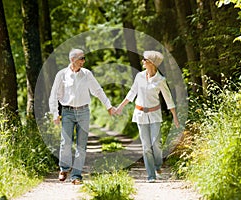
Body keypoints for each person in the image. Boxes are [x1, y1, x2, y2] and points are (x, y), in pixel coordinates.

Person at [49, 49, 115, 185]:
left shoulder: (87, 74)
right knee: (65, 143)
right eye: (81, 59)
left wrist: (108, 106)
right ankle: (64, 168)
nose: (83, 61)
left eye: (84, 59)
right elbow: (54, 95)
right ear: (72, 59)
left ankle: (76, 175)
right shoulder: (62, 75)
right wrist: (55, 113)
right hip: (67, 112)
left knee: (81, 145)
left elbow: (97, 90)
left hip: (84, 112)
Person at [116, 50, 179, 183]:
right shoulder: (139, 76)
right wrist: (120, 106)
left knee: (155, 144)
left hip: (155, 115)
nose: (142, 61)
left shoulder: (160, 80)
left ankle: (157, 165)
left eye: (145, 60)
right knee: (146, 146)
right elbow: (132, 92)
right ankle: (151, 175)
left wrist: (175, 117)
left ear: (151, 63)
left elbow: (168, 98)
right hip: (140, 115)